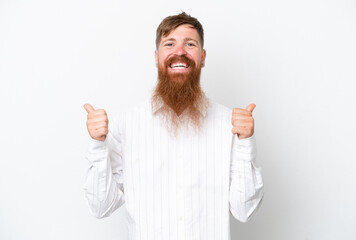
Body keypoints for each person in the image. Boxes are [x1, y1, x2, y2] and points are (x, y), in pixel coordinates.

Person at [83, 12, 264, 240]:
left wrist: (246, 142)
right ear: (157, 56)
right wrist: (98, 146)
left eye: (190, 44)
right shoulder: (127, 125)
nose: (180, 51)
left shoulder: (230, 125)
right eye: (170, 43)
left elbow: (245, 211)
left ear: (203, 56)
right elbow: (101, 206)